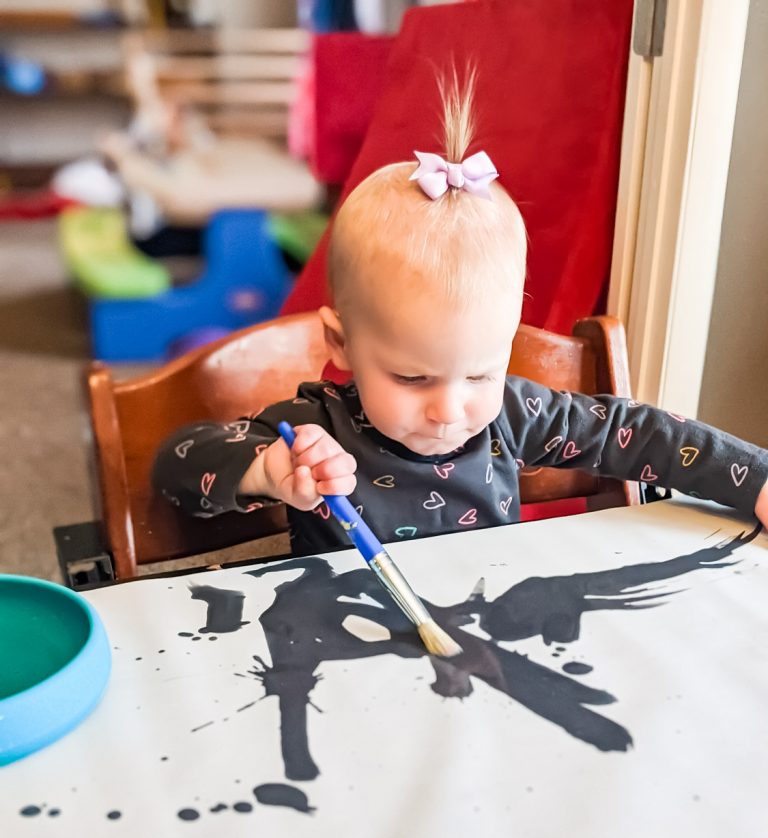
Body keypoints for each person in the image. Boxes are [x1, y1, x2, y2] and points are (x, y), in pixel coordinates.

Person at [152, 75, 768, 556]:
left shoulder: (512, 415)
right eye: (412, 378)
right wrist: (266, 471)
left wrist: (757, 481)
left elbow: (638, 433)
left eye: (479, 374)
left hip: (484, 633)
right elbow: (177, 466)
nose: (451, 410)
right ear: (341, 343)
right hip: (343, 650)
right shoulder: (316, 429)